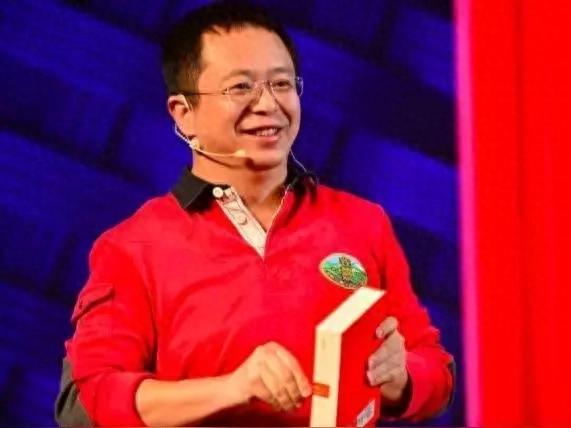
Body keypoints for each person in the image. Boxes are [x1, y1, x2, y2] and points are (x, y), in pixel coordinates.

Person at [55, 1, 455, 426]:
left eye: (281, 84)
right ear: (184, 113)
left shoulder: (362, 223)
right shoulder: (133, 248)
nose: (268, 103)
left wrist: (401, 378)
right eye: (240, 88)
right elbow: (87, 402)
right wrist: (232, 388)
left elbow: (435, 370)